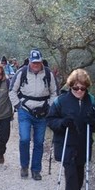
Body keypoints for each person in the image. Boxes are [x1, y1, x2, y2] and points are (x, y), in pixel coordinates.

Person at [47, 69, 95, 190]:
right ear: (71, 86)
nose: (79, 91)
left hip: (83, 144)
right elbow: (51, 120)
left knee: (78, 176)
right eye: (76, 88)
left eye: (83, 88)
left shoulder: (91, 101)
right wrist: (62, 123)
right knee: (71, 174)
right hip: (65, 143)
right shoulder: (61, 101)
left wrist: (92, 122)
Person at [9, 49, 57, 180]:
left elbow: (54, 92)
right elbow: (12, 91)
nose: (36, 65)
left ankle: (36, 170)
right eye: (33, 62)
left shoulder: (48, 74)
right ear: (29, 61)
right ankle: (24, 166)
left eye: (38, 62)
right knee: (24, 139)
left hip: (43, 112)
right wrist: (18, 105)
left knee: (39, 142)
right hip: (25, 110)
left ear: (41, 61)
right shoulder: (21, 72)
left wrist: (50, 106)